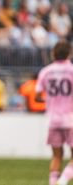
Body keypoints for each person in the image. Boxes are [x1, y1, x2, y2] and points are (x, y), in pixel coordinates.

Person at [35, 40, 73, 185]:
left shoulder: (46, 71)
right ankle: (62, 181)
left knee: (57, 156)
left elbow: (38, 95)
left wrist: (51, 100)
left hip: (53, 118)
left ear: (53, 54)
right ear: (69, 54)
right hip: (70, 118)